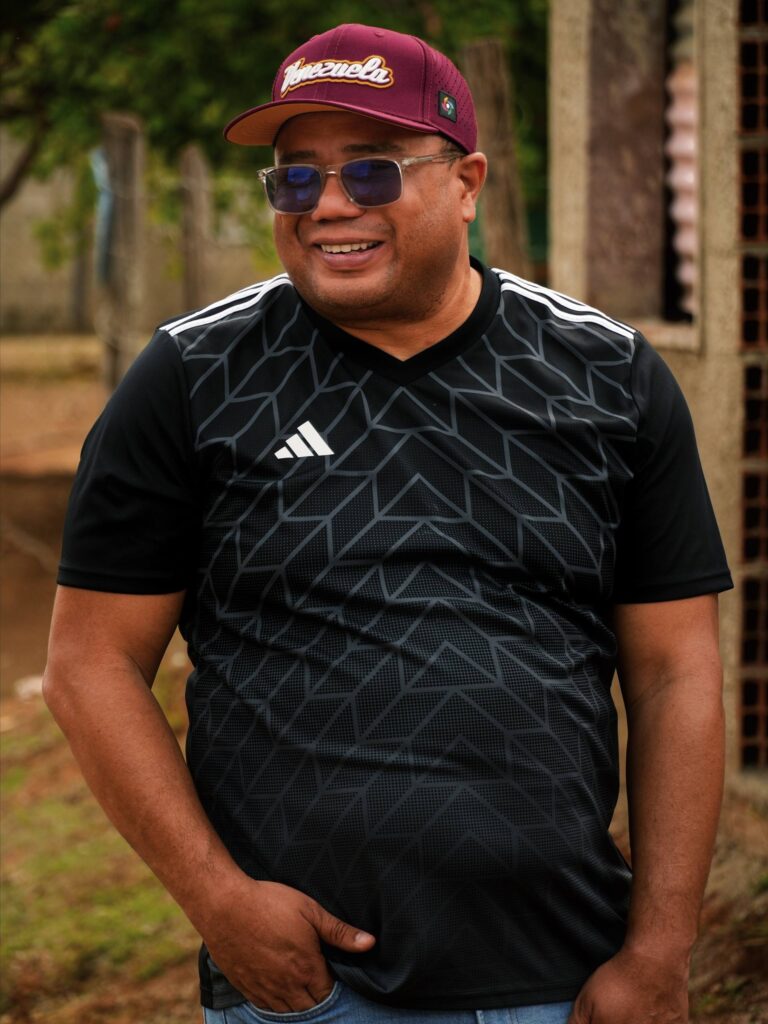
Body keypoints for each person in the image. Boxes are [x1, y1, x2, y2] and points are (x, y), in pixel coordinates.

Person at [43, 22, 733, 1024]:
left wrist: (661, 949)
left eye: (370, 171)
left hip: (567, 982)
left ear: (468, 183)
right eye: (295, 179)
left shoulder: (606, 377)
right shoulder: (194, 378)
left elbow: (676, 672)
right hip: (310, 990)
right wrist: (221, 904)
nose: (328, 205)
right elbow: (89, 664)